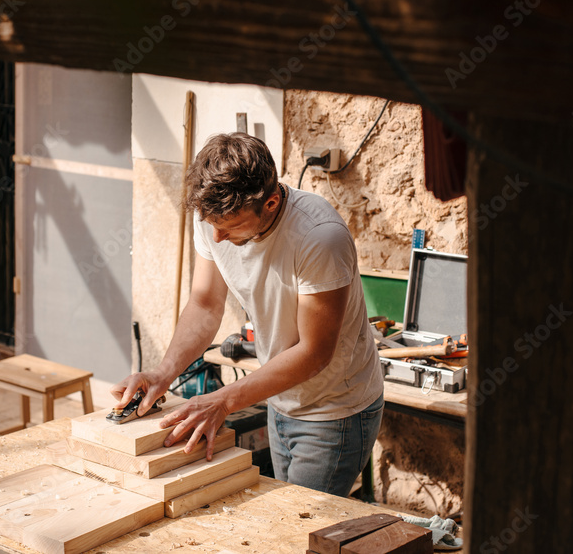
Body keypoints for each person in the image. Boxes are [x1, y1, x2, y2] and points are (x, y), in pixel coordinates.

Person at [110, 132, 383, 497]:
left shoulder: (319, 238)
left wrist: (224, 400)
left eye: (230, 226)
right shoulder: (214, 217)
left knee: (298, 531)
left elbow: (315, 353)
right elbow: (206, 303)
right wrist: (162, 372)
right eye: (211, 225)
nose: (218, 237)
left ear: (270, 203)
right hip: (281, 397)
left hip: (333, 410)